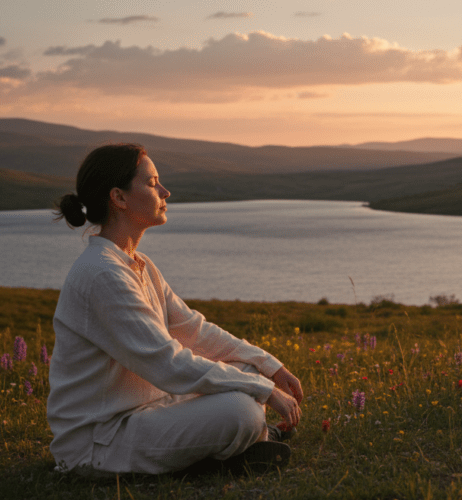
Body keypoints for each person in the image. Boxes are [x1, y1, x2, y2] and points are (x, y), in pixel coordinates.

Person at [47, 143, 302, 477]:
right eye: (152, 183)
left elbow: (195, 331)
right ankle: (239, 446)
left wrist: (269, 367)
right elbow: (167, 363)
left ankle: (241, 445)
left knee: (247, 371)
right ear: (119, 198)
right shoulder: (102, 274)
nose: (165, 192)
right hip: (101, 439)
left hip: (147, 410)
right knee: (241, 409)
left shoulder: (138, 264)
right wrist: (264, 390)